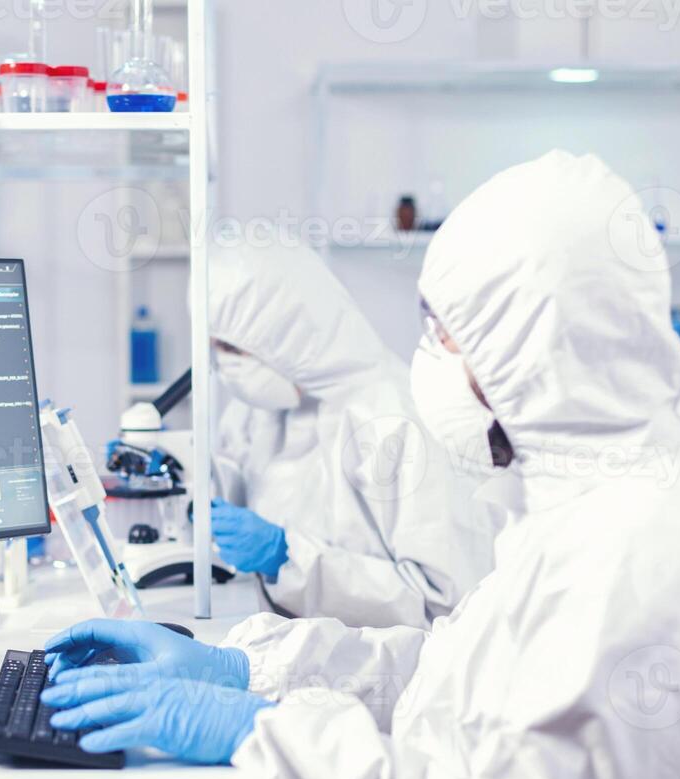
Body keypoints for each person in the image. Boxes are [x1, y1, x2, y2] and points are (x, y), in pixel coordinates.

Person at [42, 151, 680, 779]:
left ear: (532, 348)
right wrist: (244, 668)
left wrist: (263, 735)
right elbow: (453, 670)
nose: (429, 358)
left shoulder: (651, 555)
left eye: (447, 334)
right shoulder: (583, 505)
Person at [207, 241, 491, 628]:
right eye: (213, 347)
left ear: (283, 336)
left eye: (231, 347)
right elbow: (236, 481)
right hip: (296, 648)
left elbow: (442, 604)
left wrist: (288, 558)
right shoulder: (259, 409)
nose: (223, 363)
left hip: (387, 674)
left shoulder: (395, 420)